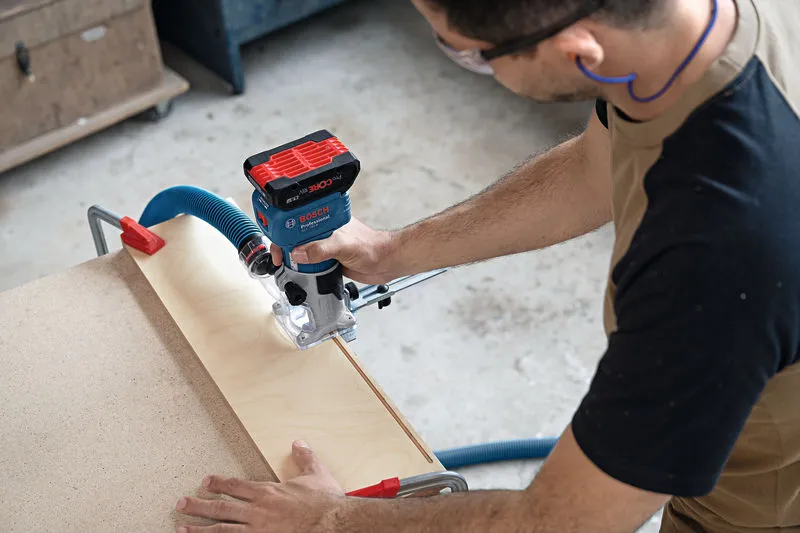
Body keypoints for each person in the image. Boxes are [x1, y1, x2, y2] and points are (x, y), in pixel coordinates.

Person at [175, 0, 800, 531]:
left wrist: (329, 520)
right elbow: (594, 166)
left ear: (579, 52)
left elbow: (559, 520)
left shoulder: (714, 248)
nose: (470, 63)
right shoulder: (680, 38)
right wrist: (392, 252)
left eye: (468, 53)